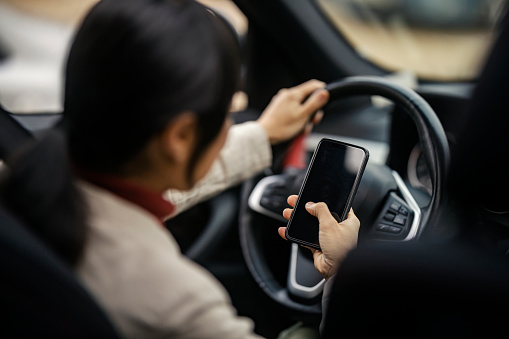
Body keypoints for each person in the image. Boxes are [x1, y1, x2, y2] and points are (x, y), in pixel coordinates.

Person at [0, 0, 360, 338]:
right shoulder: (178, 302)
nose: (226, 126)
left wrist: (263, 136)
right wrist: (347, 275)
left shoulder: (23, 189)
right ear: (180, 136)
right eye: (225, 113)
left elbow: (152, 188)